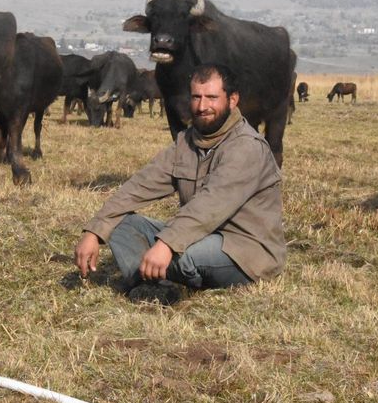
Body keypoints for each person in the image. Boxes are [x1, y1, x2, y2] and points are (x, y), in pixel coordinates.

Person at [74, 63, 285, 300]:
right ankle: (152, 285)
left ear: (232, 100)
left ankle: (153, 278)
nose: (202, 107)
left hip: (244, 249)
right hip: (198, 235)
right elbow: (139, 186)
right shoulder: (187, 141)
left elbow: (209, 207)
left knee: (184, 256)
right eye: (196, 97)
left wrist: (166, 244)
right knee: (119, 222)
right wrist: (94, 231)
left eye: (212, 98)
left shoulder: (247, 147)